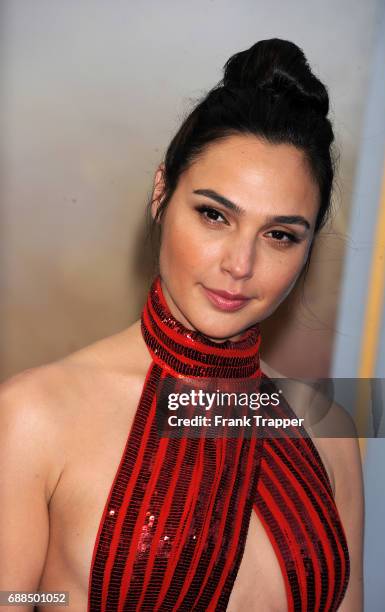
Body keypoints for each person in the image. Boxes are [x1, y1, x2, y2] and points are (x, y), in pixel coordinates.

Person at [0, 38, 364, 611]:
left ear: (309, 248)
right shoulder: (34, 417)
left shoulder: (327, 430)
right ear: (160, 193)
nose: (239, 266)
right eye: (214, 215)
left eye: (280, 235)